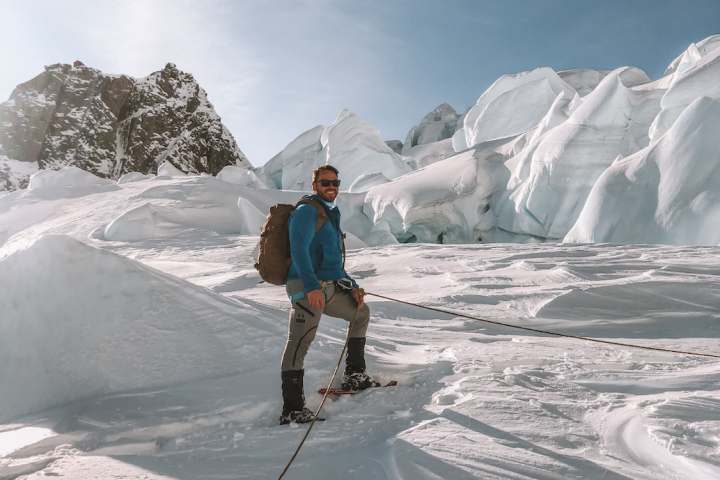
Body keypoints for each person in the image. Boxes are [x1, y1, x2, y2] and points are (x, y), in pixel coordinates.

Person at [279, 165, 379, 425]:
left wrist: (353, 286)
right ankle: (292, 409)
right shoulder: (306, 211)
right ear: (314, 185)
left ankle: (354, 375)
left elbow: (334, 262)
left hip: (328, 287)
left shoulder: (329, 214)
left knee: (360, 312)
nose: (331, 186)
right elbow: (298, 249)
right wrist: (311, 286)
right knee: (299, 343)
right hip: (306, 286)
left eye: (335, 181)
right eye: (325, 182)